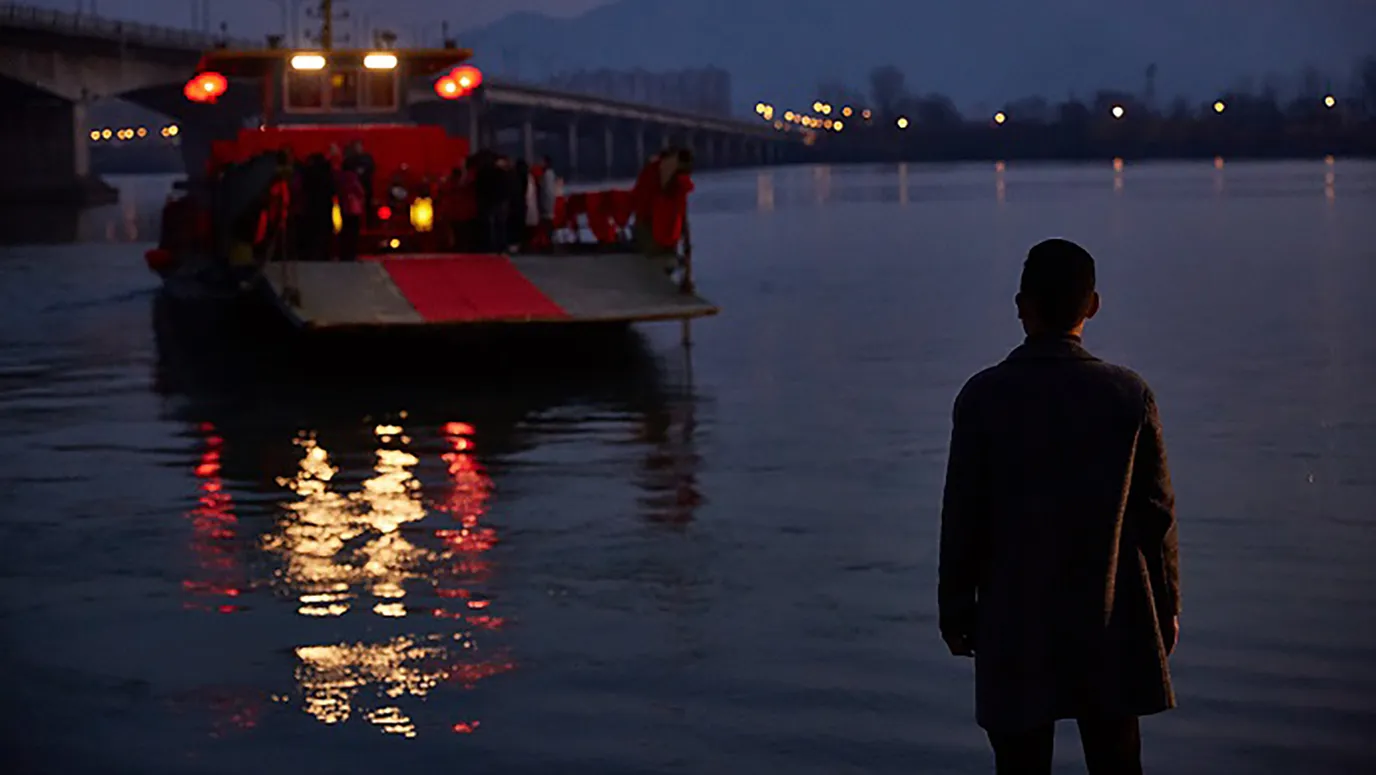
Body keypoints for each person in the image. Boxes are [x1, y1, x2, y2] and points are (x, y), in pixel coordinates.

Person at [938, 238, 1180, 775]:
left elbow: (962, 518)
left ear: (1022, 306)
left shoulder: (983, 398)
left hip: (1013, 623)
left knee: (1020, 764)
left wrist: (955, 609)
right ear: (1092, 305)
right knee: (1117, 761)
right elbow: (1155, 515)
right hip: (1110, 618)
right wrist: (1166, 605)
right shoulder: (1127, 395)